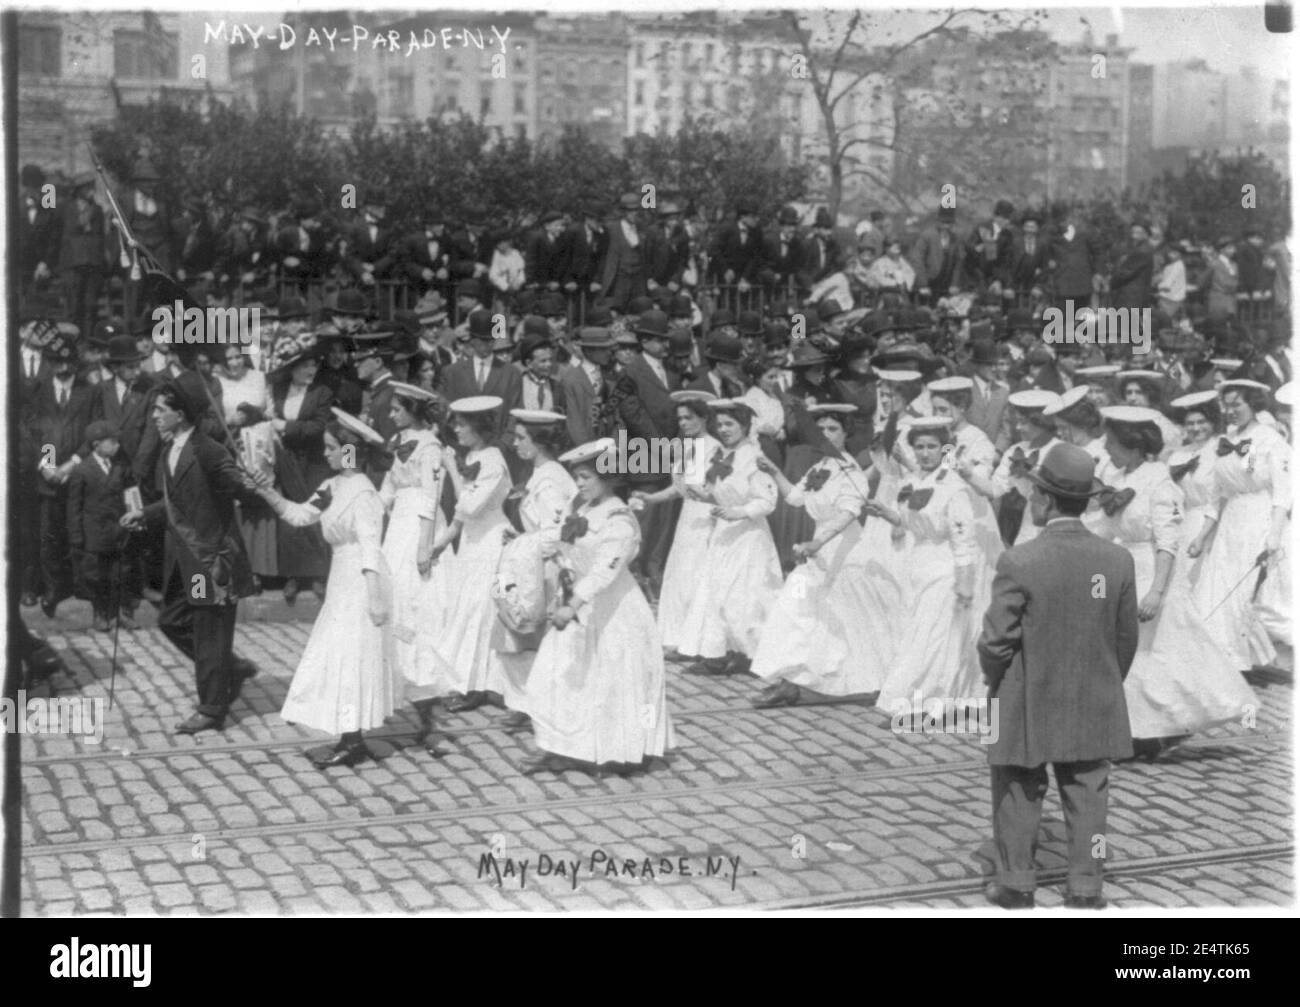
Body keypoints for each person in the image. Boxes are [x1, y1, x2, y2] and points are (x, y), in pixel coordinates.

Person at [978, 442, 1139, 910]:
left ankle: (1016, 883)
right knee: (1089, 790)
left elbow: (995, 640)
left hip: (1026, 692)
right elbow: (1124, 638)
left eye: (1034, 494)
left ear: (1044, 501)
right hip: (1094, 691)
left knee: (1016, 784)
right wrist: (1104, 680)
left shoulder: (1020, 560)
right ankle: (1086, 887)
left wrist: (999, 684)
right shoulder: (1117, 560)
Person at [1093, 406, 1257, 756]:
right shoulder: (1121, 477)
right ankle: (1141, 731)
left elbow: (1167, 543)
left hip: (1153, 573)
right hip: (1123, 570)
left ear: (1133, 445)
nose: (1106, 448)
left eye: (1111, 442)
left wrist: (1156, 591)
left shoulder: (1159, 481)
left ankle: (1149, 732)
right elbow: (1104, 527)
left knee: (1153, 653)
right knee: (1132, 654)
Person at [251, 412, 398, 768]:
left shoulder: (362, 493)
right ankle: (351, 735)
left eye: (333, 449)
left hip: (364, 581)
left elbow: (369, 546)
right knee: (337, 653)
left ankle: (353, 739)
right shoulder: (332, 486)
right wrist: (266, 491)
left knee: (351, 655)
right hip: (341, 578)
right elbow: (300, 515)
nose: (327, 455)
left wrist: (376, 598)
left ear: (349, 451)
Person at [520, 437, 675, 774]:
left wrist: (572, 605)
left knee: (610, 680)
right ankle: (559, 745)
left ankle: (618, 750)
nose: (578, 483)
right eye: (577, 476)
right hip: (576, 601)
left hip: (613, 610)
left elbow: (605, 573)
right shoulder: (581, 507)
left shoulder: (619, 519)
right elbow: (559, 538)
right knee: (556, 673)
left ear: (608, 476)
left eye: (586, 477)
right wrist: (525, 547)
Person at [120, 382, 261, 734]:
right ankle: (231, 668)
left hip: (211, 561)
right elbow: (177, 503)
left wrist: (253, 483)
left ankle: (212, 709)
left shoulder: (208, 450)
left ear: (179, 414)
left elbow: (237, 486)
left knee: (208, 630)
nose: (153, 416)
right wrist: (146, 515)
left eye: (159, 410)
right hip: (186, 558)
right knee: (171, 620)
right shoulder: (174, 448)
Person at [750, 405, 895, 706]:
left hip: (844, 551)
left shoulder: (851, 471)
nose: (826, 435)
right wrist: (774, 471)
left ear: (846, 435)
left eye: (833, 430)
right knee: (794, 605)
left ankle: (867, 680)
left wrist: (819, 542)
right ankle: (788, 680)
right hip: (815, 550)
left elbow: (848, 513)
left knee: (846, 621)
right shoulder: (821, 467)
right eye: (821, 430)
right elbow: (794, 497)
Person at [870, 418, 981, 710]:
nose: (925, 453)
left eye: (932, 446)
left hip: (946, 568)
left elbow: (964, 540)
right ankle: (931, 699)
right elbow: (908, 522)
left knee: (933, 637)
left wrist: (965, 583)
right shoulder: (912, 481)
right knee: (923, 632)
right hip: (917, 564)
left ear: (945, 450)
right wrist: (887, 513)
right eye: (919, 446)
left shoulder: (952, 487)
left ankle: (925, 703)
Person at [676, 400, 783, 676]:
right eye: (719, 424)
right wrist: (703, 494)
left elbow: (768, 501)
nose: (723, 430)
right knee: (715, 592)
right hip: (724, 535)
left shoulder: (753, 458)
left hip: (748, 536)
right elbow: (721, 492)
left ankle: (750, 652)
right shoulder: (723, 455)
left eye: (729, 424)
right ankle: (718, 652)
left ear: (745, 426)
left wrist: (739, 512)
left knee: (744, 595)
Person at [1192, 380, 1291, 670]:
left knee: (1254, 594)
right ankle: (1227, 660)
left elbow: (1284, 491)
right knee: (1220, 588)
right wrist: (1203, 535)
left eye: (1237, 405)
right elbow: (1216, 495)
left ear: (1253, 405)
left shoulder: (1269, 438)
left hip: (1260, 519)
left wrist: (1273, 535)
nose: (1231, 411)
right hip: (1230, 524)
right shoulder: (1224, 441)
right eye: (1227, 405)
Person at [489, 409, 576, 732]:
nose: (516, 444)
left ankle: (534, 704)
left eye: (522, 438)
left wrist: (526, 544)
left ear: (539, 442)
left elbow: (558, 531)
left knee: (527, 634)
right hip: (530, 561)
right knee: (517, 635)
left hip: (544, 569)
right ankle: (526, 702)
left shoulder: (551, 478)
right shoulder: (541, 471)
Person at [377, 382, 450, 755]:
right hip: (398, 529)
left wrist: (425, 544)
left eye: (397, 409)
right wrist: (372, 511)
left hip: (419, 529)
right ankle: (410, 696)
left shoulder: (430, 446)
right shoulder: (400, 442)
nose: (391, 415)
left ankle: (429, 708)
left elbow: (429, 495)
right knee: (398, 607)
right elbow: (390, 485)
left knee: (419, 611)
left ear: (413, 411)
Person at [428, 396, 513, 713]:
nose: (456, 430)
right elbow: (461, 517)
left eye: (462, 424)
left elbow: (471, 506)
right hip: (473, 545)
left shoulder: (492, 460)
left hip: (493, 545)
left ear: (478, 427)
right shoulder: (476, 455)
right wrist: (441, 543)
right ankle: (477, 682)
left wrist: (452, 468)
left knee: (485, 610)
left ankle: (483, 685)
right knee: (469, 609)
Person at [632, 392, 720, 656]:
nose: (683, 423)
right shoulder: (685, 446)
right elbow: (677, 489)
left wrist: (699, 491)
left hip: (706, 516)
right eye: (680, 418)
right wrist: (650, 497)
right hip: (688, 517)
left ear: (704, 418)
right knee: (679, 575)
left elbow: (710, 489)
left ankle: (696, 640)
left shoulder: (713, 447)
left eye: (689, 418)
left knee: (697, 574)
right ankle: (676, 637)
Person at [267, 331, 334, 602]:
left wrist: (287, 427)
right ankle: (294, 575)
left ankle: (318, 575)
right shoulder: (280, 391)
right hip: (288, 459)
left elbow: (319, 426)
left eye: (313, 365)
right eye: (305, 365)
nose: (311, 370)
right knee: (289, 516)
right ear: (292, 368)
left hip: (315, 460)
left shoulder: (322, 392)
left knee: (314, 510)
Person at [67, 421, 137, 632]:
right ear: (97, 444)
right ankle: (100, 613)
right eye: (112, 442)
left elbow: (131, 494)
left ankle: (118, 614)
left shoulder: (121, 468)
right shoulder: (82, 470)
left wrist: (135, 517)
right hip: (94, 534)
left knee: (120, 574)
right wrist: (76, 535)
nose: (117, 445)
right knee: (96, 576)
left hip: (118, 530)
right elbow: (74, 507)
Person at [1165, 390, 1223, 600]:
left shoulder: (1220, 449)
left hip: (1212, 523)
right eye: (1190, 423)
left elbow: (1219, 498)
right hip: (1185, 522)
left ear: (1212, 422)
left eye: (1201, 422)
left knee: (1205, 583)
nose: (1196, 428)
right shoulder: (1177, 455)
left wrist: (1202, 536)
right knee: (1181, 583)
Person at [217, 345, 268, 426]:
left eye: (238, 357)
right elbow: (216, 418)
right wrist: (230, 420)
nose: (235, 363)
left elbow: (270, 409)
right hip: (234, 434)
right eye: (229, 359)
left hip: (262, 430)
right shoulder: (218, 382)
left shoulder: (259, 376)